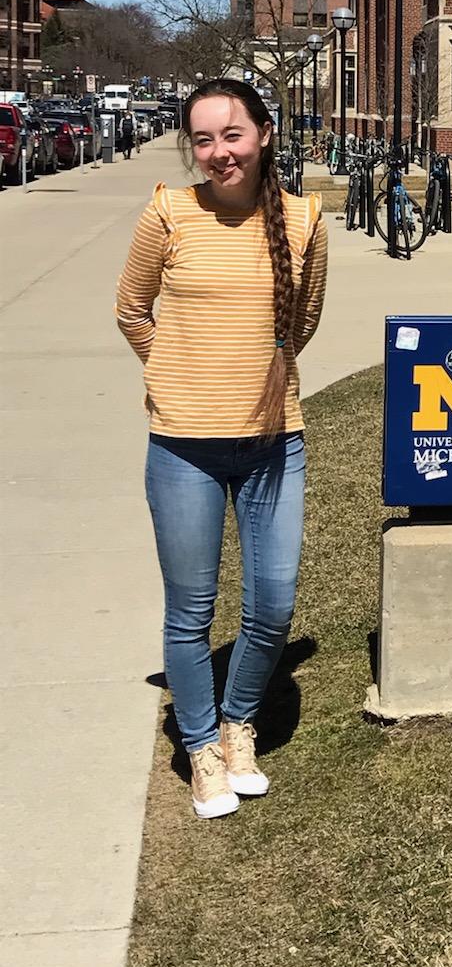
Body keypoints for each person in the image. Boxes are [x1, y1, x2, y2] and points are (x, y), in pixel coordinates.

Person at [115, 78, 328, 819]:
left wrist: (258, 375)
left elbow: (300, 325)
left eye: (231, 135)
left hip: (275, 443)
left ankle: (240, 721)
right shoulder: (168, 212)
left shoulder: (304, 221)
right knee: (191, 613)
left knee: (272, 605)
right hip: (182, 448)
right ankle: (201, 745)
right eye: (202, 139)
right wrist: (179, 373)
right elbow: (131, 310)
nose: (217, 153)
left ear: (264, 133)